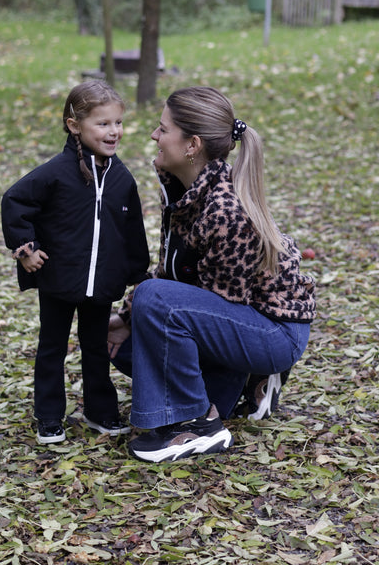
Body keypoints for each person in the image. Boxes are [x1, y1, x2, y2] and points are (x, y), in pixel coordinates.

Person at [108, 86, 316, 463]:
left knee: (153, 301)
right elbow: (172, 269)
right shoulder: (182, 188)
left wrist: (147, 305)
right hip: (234, 316)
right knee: (124, 346)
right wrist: (125, 318)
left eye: (163, 128)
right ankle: (239, 388)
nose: (154, 135)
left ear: (192, 145)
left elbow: (217, 302)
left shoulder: (224, 209)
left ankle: (199, 425)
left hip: (273, 329)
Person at [1, 80, 150, 445]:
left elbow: (131, 227)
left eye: (117, 123)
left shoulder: (121, 178)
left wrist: (136, 272)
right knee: (51, 347)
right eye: (102, 123)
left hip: (101, 284)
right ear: (74, 125)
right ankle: (49, 416)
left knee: (97, 346)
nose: (113, 131)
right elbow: (14, 202)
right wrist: (26, 249)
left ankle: (101, 410)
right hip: (59, 280)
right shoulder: (55, 173)